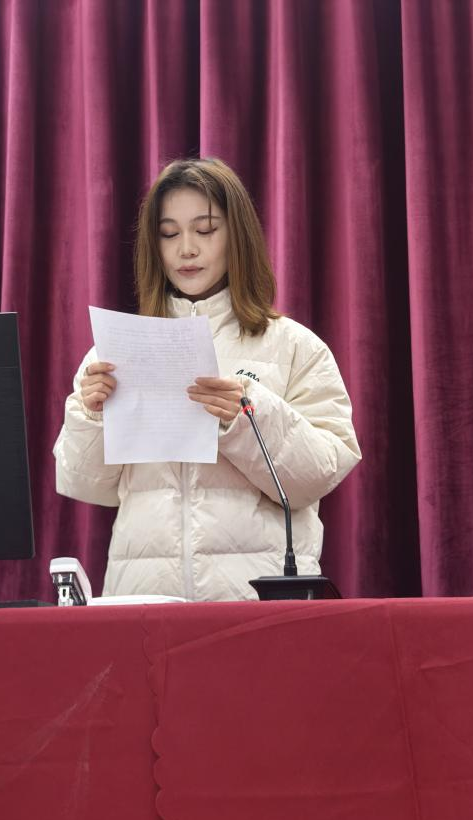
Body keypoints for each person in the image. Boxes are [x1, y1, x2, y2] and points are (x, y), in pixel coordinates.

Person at [54, 157, 361, 601]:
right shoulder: (116, 350)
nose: (187, 249)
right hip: (145, 601)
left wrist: (247, 414)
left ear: (237, 236)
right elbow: (85, 486)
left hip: (253, 600)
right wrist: (91, 415)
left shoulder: (294, 346)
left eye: (205, 230)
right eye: (169, 233)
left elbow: (318, 476)